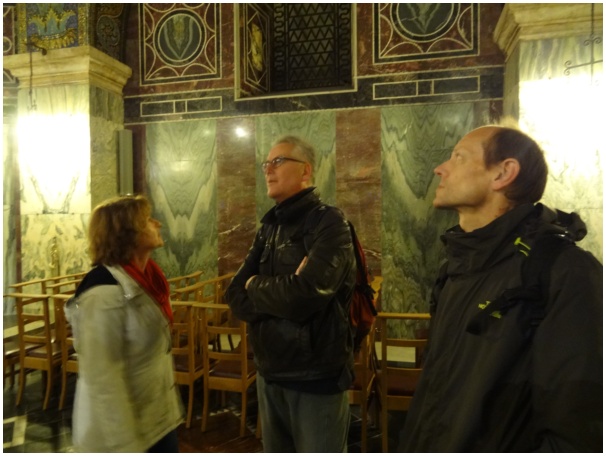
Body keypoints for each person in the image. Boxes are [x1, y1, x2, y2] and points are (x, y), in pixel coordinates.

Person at [398, 125, 603, 452]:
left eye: (459, 157)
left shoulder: (564, 269)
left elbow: (575, 419)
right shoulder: (456, 267)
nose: (440, 168)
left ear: (503, 173)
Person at [226, 135, 356, 452]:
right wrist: (281, 292)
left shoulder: (329, 222)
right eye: (266, 164)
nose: (268, 169)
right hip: (269, 372)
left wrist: (256, 285)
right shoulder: (268, 228)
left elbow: (306, 294)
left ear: (305, 170)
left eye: (279, 161)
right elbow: (234, 295)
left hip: (315, 376)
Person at [66, 195, 183, 452]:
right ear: (126, 232)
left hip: (156, 421)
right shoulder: (101, 293)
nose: (158, 223)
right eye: (147, 219)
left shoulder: (148, 280)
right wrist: (127, 446)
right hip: (121, 435)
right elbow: (102, 378)